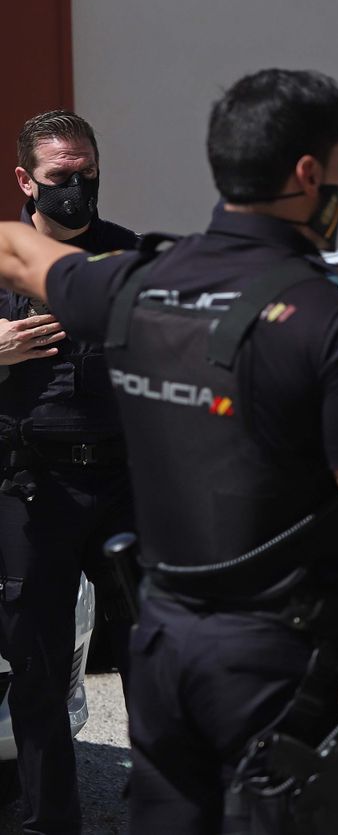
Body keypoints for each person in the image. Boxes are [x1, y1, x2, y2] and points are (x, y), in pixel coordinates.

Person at [0, 69, 338, 833]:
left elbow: (13, 247)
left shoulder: (141, 282)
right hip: (279, 663)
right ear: (310, 175)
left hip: (173, 653)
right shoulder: (336, 329)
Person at [0, 110, 138, 835]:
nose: (77, 187)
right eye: (61, 175)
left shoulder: (126, 254)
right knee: (38, 668)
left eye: (88, 172)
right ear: (26, 181)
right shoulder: (3, 258)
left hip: (125, 486)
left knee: (159, 656)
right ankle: (51, 821)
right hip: (34, 489)